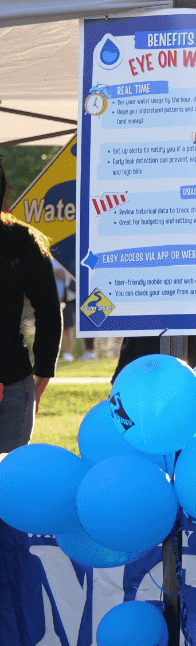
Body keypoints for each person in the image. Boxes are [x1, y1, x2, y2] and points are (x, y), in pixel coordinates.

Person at [0, 161, 59, 452]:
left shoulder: (23, 240)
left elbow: (49, 309)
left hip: (12, 380)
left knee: (11, 479)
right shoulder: (24, 239)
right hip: (14, 380)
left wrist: (44, 371)